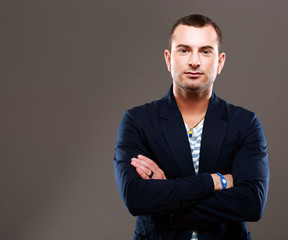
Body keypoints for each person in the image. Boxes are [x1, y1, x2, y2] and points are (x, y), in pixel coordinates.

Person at [113, 14, 269, 240]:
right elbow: (136, 197)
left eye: (205, 51)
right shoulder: (138, 121)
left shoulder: (244, 123)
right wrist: (217, 181)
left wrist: (166, 202)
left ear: (220, 61)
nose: (194, 61)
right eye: (184, 50)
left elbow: (251, 203)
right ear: (168, 59)